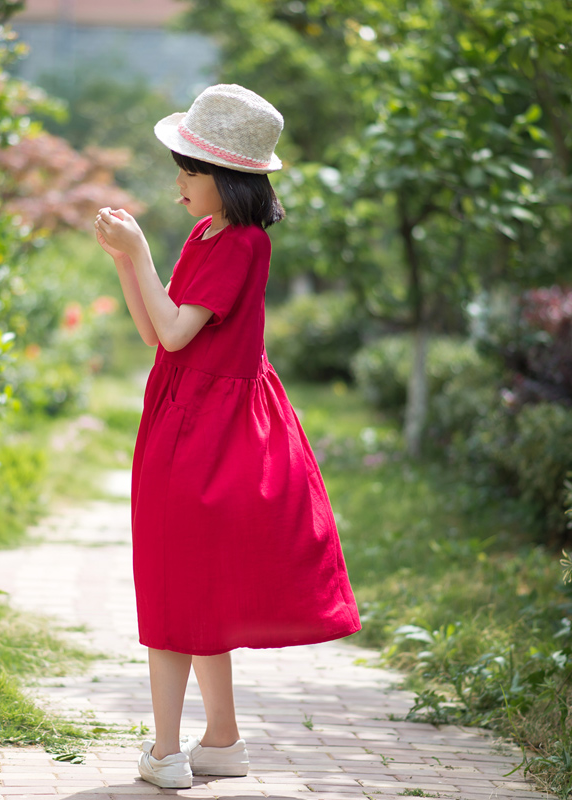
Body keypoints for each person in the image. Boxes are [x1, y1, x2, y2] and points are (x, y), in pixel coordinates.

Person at [94, 84, 361, 790]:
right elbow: (159, 332)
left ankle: (165, 753)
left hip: (204, 433)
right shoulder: (208, 234)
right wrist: (127, 261)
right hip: (185, 413)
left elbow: (178, 331)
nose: (179, 181)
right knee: (195, 586)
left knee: (170, 588)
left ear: (229, 178)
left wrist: (139, 248)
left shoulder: (241, 244)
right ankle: (221, 740)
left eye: (190, 170)